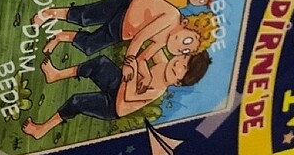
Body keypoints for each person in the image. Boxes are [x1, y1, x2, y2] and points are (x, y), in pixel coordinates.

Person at [32, 0, 216, 91]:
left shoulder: (164, 40)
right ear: (186, 24)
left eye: (185, 51)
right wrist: (128, 64)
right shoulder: (172, 17)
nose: (180, 48)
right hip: (127, 8)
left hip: (123, 30)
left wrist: (146, 76)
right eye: (187, 41)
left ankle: (59, 36)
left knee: (89, 46)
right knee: (86, 16)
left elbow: (143, 58)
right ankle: (48, 13)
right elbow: (141, 37)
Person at [22, 48, 211, 139]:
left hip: (115, 105)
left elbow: (130, 96)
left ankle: (42, 129)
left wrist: (135, 71)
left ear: (178, 82)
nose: (178, 63)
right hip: (121, 84)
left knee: (77, 102)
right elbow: (154, 47)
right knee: (99, 64)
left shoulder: (158, 89)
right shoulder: (164, 64)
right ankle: (56, 75)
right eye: (184, 57)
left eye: (184, 68)